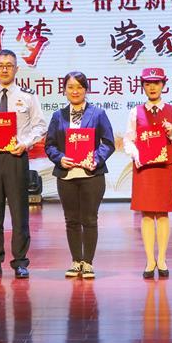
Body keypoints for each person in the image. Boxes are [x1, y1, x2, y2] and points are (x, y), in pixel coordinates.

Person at [0, 49, 47, 279]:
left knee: (19, 211)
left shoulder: (28, 96)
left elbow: (40, 126)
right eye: (0, 65)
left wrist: (25, 143)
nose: (4, 69)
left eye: (9, 65)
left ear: (16, 69)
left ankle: (20, 262)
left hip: (16, 156)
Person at [44, 72, 116, 279]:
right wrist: (60, 159)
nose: (75, 91)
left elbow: (108, 142)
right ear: (64, 90)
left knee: (90, 219)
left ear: (86, 90)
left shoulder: (98, 114)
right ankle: (76, 261)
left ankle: (88, 263)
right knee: (71, 220)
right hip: (66, 175)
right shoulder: (58, 116)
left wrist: (95, 159)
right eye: (70, 87)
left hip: (91, 175)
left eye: (79, 87)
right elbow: (50, 145)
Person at [123, 68, 172, 279]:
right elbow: (128, 139)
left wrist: (170, 132)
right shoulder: (135, 112)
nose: (152, 87)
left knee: (163, 213)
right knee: (147, 214)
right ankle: (150, 260)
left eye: (156, 83)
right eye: (148, 83)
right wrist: (136, 154)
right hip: (145, 167)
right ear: (142, 86)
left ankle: (162, 259)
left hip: (164, 167)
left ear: (163, 85)